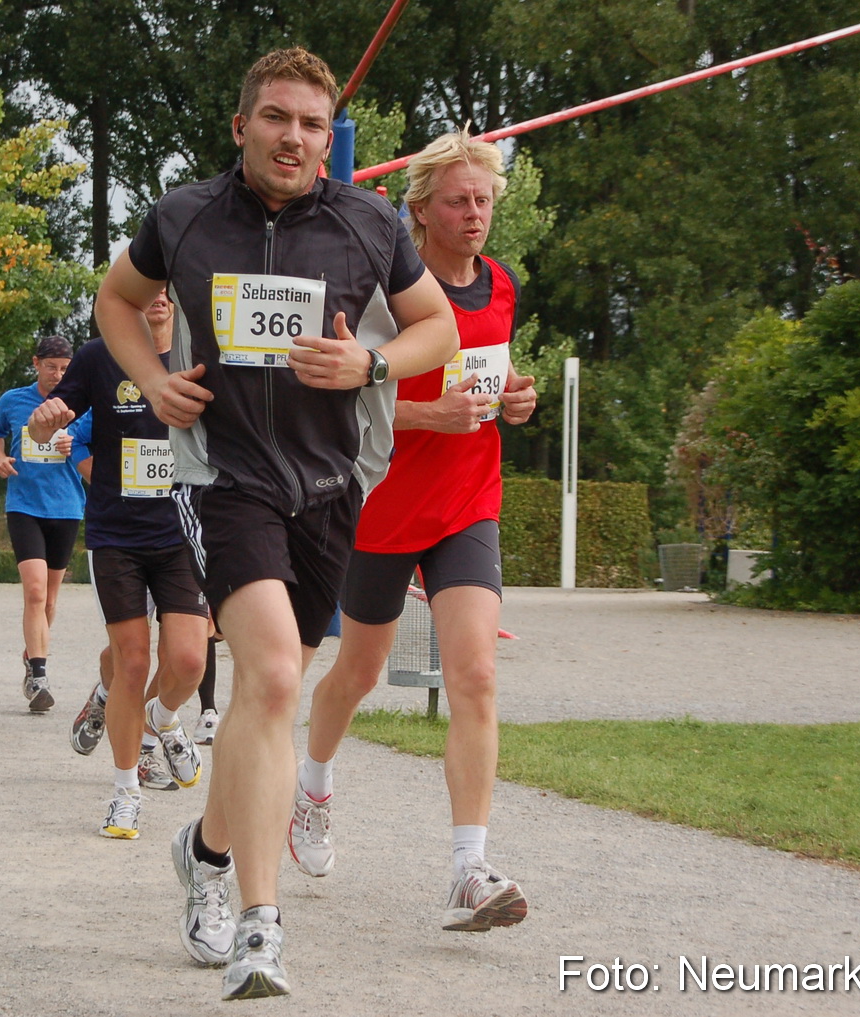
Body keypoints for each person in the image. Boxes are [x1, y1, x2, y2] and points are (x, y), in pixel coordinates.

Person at [95, 48, 458, 1000]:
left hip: (331, 486)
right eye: (275, 118)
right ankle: (261, 925)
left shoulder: (370, 223)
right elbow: (115, 301)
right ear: (242, 126)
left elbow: (438, 329)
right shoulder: (184, 217)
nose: (292, 137)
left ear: (326, 137)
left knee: (269, 697)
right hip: (227, 477)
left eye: (309, 123)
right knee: (274, 674)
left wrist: (371, 368)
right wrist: (150, 378)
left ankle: (205, 850)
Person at [296, 130, 539, 935]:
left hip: (469, 503)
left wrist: (513, 397)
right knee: (357, 672)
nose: (476, 215)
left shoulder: (500, 284)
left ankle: (470, 867)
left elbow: (490, 368)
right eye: (459, 202)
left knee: (474, 674)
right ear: (422, 210)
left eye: (484, 201)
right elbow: (341, 400)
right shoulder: (383, 291)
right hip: (382, 507)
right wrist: (426, 413)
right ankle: (314, 787)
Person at [29, 290, 210, 839]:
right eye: (146, 284)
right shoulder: (100, 354)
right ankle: (126, 791)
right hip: (116, 532)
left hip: (182, 529)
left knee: (190, 662)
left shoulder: (202, 350)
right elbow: (49, 428)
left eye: (167, 286)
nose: (156, 295)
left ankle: (164, 717)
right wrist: (41, 424)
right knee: (132, 662)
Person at [0, 336, 90, 713]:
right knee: (34, 590)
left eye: (65, 368)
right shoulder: (13, 400)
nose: (58, 375)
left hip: (66, 507)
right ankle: (40, 676)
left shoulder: (82, 404)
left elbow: (91, 445)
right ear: (36, 364)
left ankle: (32, 657)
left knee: (50, 599)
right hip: (25, 505)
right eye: (51, 366)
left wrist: (74, 446)